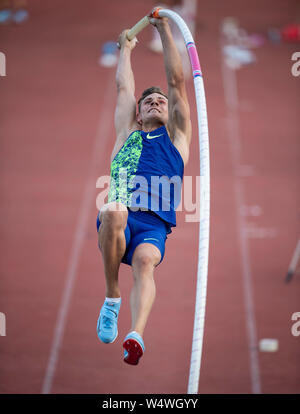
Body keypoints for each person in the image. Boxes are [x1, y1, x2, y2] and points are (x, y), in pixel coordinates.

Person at [96, 10, 191, 365]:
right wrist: (126, 48)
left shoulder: (178, 139)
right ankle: (111, 298)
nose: (155, 102)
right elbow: (124, 87)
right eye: (148, 101)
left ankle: (135, 334)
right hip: (117, 223)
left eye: (161, 101)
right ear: (138, 113)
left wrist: (164, 29)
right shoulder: (127, 134)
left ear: (169, 113)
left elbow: (176, 81)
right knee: (113, 209)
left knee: (147, 261)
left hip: (153, 226)